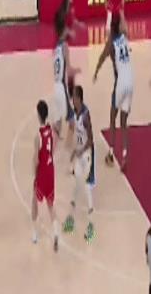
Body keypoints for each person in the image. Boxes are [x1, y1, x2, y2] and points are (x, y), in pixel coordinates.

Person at [93, 17, 133, 171]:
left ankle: (110, 153)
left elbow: (102, 57)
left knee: (112, 117)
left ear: (111, 29)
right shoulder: (125, 37)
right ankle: (124, 155)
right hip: (131, 81)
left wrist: (96, 72)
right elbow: (124, 27)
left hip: (121, 82)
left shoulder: (111, 43)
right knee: (123, 122)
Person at [62, 85, 96, 243]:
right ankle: (70, 221)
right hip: (80, 153)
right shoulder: (75, 113)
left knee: (87, 188)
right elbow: (77, 136)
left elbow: (90, 139)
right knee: (76, 186)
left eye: (74, 98)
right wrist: (74, 151)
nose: (72, 100)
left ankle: (91, 229)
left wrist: (81, 151)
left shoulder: (86, 116)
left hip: (87, 155)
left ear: (79, 98)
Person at [32, 100, 59, 251]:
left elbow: (36, 160)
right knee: (50, 203)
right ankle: (56, 232)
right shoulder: (51, 130)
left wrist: (35, 176)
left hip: (42, 171)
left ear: (38, 115)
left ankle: (35, 233)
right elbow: (53, 148)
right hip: (51, 169)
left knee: (35, 200)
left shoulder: (38, 136)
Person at [52, 10, 78, 140]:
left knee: (58, 123)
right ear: (64, 30)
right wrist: (76, 71)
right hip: (62, 88)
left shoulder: (55, 48)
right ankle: (69, 148)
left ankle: (50, 147)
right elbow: (69, 71)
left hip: (55, 87)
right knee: (72, 121)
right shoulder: (64, 46)